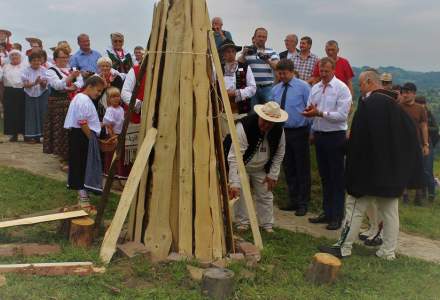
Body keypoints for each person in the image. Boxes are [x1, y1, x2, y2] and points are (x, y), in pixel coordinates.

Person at [318, 70, 423, 260]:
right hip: (391, 173)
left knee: (354, 208)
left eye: (361, 84)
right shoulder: (397, 108)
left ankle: (343, 248)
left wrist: (346, 153)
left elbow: (358, 141)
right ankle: (387, 251)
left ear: (369, 82)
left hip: (366, 173)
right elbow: (408, 140)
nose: (360, 87)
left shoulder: (368, 105)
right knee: (390, 213)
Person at [303, 57, 352, 230]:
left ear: (333, 70)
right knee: (325, 176)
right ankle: (326, 212)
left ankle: (337, 216)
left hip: (335, 136)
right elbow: (311, 107)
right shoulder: (315, 87)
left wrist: (320, 113)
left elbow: (341, 116)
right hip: (319, 135)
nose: (323, 74)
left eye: (326, 71)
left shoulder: (342, 88)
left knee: (336, 177)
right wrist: (310, 114)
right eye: (321, 71)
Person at [228, 101, 287, 233]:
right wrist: (234, 182)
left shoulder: (279, 130)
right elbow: (234, 156)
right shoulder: (244, 126)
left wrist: (273, 174)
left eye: (270, 122)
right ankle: (242, 223)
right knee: (240, 194)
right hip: (242, 165)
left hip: (261, 168)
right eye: (264, 121)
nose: (266, 125)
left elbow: (279, 152)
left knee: (266, 194)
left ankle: (267, 225)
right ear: (260, 116)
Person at [271, 59, 311, 216]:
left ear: (292, 71)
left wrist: (311, 130)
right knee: (289, 168)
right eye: (279, 73)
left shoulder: (303, 87)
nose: (282, 76)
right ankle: (293, 200)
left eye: (284, 73)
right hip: (282, 131)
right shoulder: (276, 89)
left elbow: (310, 107)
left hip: (299, 131)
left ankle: (303, 202)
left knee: (302, 168)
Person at [64, 75, 105, 206]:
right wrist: (91, 138)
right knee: (82, 164)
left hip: (81, 133)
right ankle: (82, 194)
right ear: (89, 87)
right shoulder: (82, 99)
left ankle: (84, 190)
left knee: (83, 163)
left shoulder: (83, 98)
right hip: (81, 135)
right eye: (98, 91)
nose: (99, 94)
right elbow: (82, 122)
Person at [44, 47, 83, 169]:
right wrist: (70, 78)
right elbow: (57, 85)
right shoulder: (50, 71)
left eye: (66, 57)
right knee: (61, 131)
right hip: (58, 104)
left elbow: (81, 81)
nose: (64, 60)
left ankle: (71, 156)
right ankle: (63, 158)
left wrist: (74, 86)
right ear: (55, 59)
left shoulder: (72, 69)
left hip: (72, 102)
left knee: (72, 130)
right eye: (62, 57)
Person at [399, 83, 429, 205]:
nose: (405, 94)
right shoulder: (398, 107)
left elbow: (424, 126)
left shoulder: (420, 109)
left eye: (408, 92)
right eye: (403, 92)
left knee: (418, 169)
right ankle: (404, 195)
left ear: (414, 94)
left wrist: (426, 144)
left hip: (416, 144)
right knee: (403, 169)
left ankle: (418, 196)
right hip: (402, 144)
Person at [220, 39, 256, 134]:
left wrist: (236, 93)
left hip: (240, 112)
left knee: (240, 139)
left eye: (233, 51)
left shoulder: (244, 67)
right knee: (225, 140)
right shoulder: (218, 68)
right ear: (223, 54)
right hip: (223, 113)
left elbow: (253, 88)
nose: (231, 54)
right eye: (228, 51)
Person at [239, 28, 279, 109]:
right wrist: (244, 55)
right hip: (252, 88)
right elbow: (239, 65)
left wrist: (267, 60)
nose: (261, 39)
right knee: (253, 113)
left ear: (266, 38)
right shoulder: (249, 50)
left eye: (264, 37)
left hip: (268, 87)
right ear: (254, 37)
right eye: (259, 36)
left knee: (270, 112)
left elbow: (278, 67)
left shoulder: (271, 51)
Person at [21, 51, 48, 143]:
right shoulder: (25, 70)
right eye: (34, 60)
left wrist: (41, 83)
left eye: (38, 60)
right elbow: (25, 85)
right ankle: (31, 136)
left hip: (42, 94)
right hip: (29, 94)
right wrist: (34, 83)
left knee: (43, 113)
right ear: (30, 61)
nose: (36, 62)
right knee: (31, 115)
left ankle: (43, 136)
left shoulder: (44, 70)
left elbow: (45, 85)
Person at [415, 96, 439, 202]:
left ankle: (431, 194)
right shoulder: (416, 113)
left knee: (428, 169)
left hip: (428, 145)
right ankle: (422, 193)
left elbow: (436, 129)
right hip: (417, 144)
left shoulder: (428, 114)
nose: (421, 106)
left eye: (422, 104)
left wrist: (424, 127)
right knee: (420, 169)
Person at [102, 87, 127, 183]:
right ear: (108, 99)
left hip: (120, 135)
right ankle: (111, 177)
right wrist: (113, 137)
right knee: (112, 155)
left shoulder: (121, 109)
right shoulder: (110, 110)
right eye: (113, 97)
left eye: (117, 96)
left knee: (120, 156)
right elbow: (109, 126)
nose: (116, 98)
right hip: (113, 136)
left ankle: (119, 176)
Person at [0, 50, 26, 141]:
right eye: (12, 55)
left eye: (16, 55)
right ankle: (13, 134)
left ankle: (24, 133)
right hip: (9, 91)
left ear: (20, 56)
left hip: (22, 91)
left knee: (22, 112)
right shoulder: (5, 67)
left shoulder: (25, 67)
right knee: (10, 113)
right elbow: (2, 81)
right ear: (9, 57)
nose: (14, 57)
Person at [95, 57, 124, 121]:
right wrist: (104, 87)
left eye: (107, 66)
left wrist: (109, 85)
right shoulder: (96, 79)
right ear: (99, 67)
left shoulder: (117, 77)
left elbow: (119, 92)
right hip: (100, 108)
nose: (105, 68)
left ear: (110, 67)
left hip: (115, 106)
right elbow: (95, 96)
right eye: (102, 66)